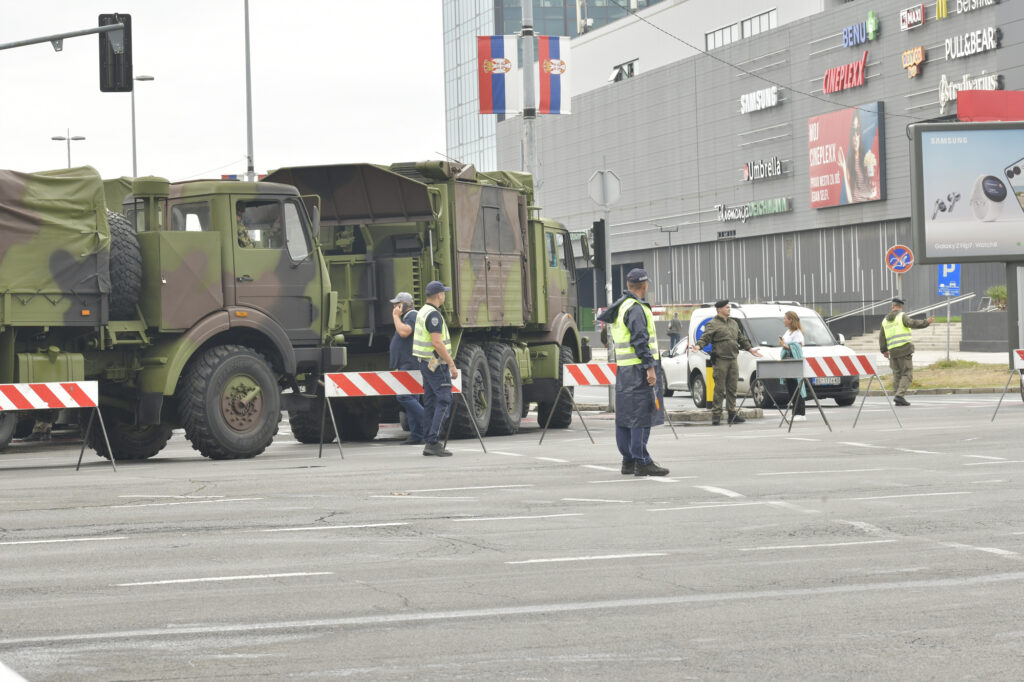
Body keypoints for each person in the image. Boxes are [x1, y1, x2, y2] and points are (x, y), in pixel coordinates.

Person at [596, 268, 669, 477]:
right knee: (641, 414)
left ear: (628, 286)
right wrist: (650, 368)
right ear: (644, 286)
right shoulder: (636, 308)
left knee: (625, 415)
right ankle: (642, 461)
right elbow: (640, 340)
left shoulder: (621, 306)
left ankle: (628, 460)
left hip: (625, 370)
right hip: (639, 369)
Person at [412, 280, 459, 457]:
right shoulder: (434, 316)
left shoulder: (422, 311)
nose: (444, 295)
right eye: (444, 293)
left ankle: (428, 440)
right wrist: (451, 364)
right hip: (437, 364)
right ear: (439, 295)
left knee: (431, 401)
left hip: (426, 363)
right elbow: (437, 343)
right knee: (445, 399)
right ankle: (433, 441)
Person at [698, 300, 763, 425]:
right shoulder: (712, 324)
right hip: (720, 360)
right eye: (726, 307)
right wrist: (698, 346)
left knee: (732, 388)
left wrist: (750, 349)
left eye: (729, 307)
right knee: (719, 389)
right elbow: (705, 337)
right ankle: (716, 415)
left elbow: (741, 338)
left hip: (733, 359)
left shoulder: (733, 323)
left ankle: (732, 414)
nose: (729, 309)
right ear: (719, 309)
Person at [879, 297, 933, 406]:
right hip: (904, 350)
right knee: (907, 374)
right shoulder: (902, 316)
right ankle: (899, 396)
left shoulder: (885, 321)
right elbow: (912, 323)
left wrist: (884, 350)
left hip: (893, 351)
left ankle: (897, 396)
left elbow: (882, 337)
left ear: (893, 306)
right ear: (901, 307)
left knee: (897, 375)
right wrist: (926, 322)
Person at [390, 291, 426, 445]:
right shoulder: (406, 317)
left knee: (404, 396)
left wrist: (395, 317)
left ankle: (428, 421)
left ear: (405, 304)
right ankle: (417, 434)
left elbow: (405, 332)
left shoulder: (412, 315)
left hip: (410, 363)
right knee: (413, 397)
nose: (394, 307)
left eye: (397, 304)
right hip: (406, 363)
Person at [836, 109, 879, 204]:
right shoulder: (850, 163)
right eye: (853, 133)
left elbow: (873, 190)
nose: (855, 138)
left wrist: (873, 194)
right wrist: (844, 168)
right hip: (857, 208)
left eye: (858, 132)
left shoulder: (867, 160)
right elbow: (850, 200)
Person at [779, 310, 806, 421]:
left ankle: (801, 413)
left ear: (790, 320)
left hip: (795, 362)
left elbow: (797, 348)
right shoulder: (788, 332)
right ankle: (795, 412)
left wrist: (784, 345)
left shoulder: (797, 333)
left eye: (785, 318)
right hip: (788, 362)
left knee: (797, 386)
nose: (783, 320)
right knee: (791, 387)